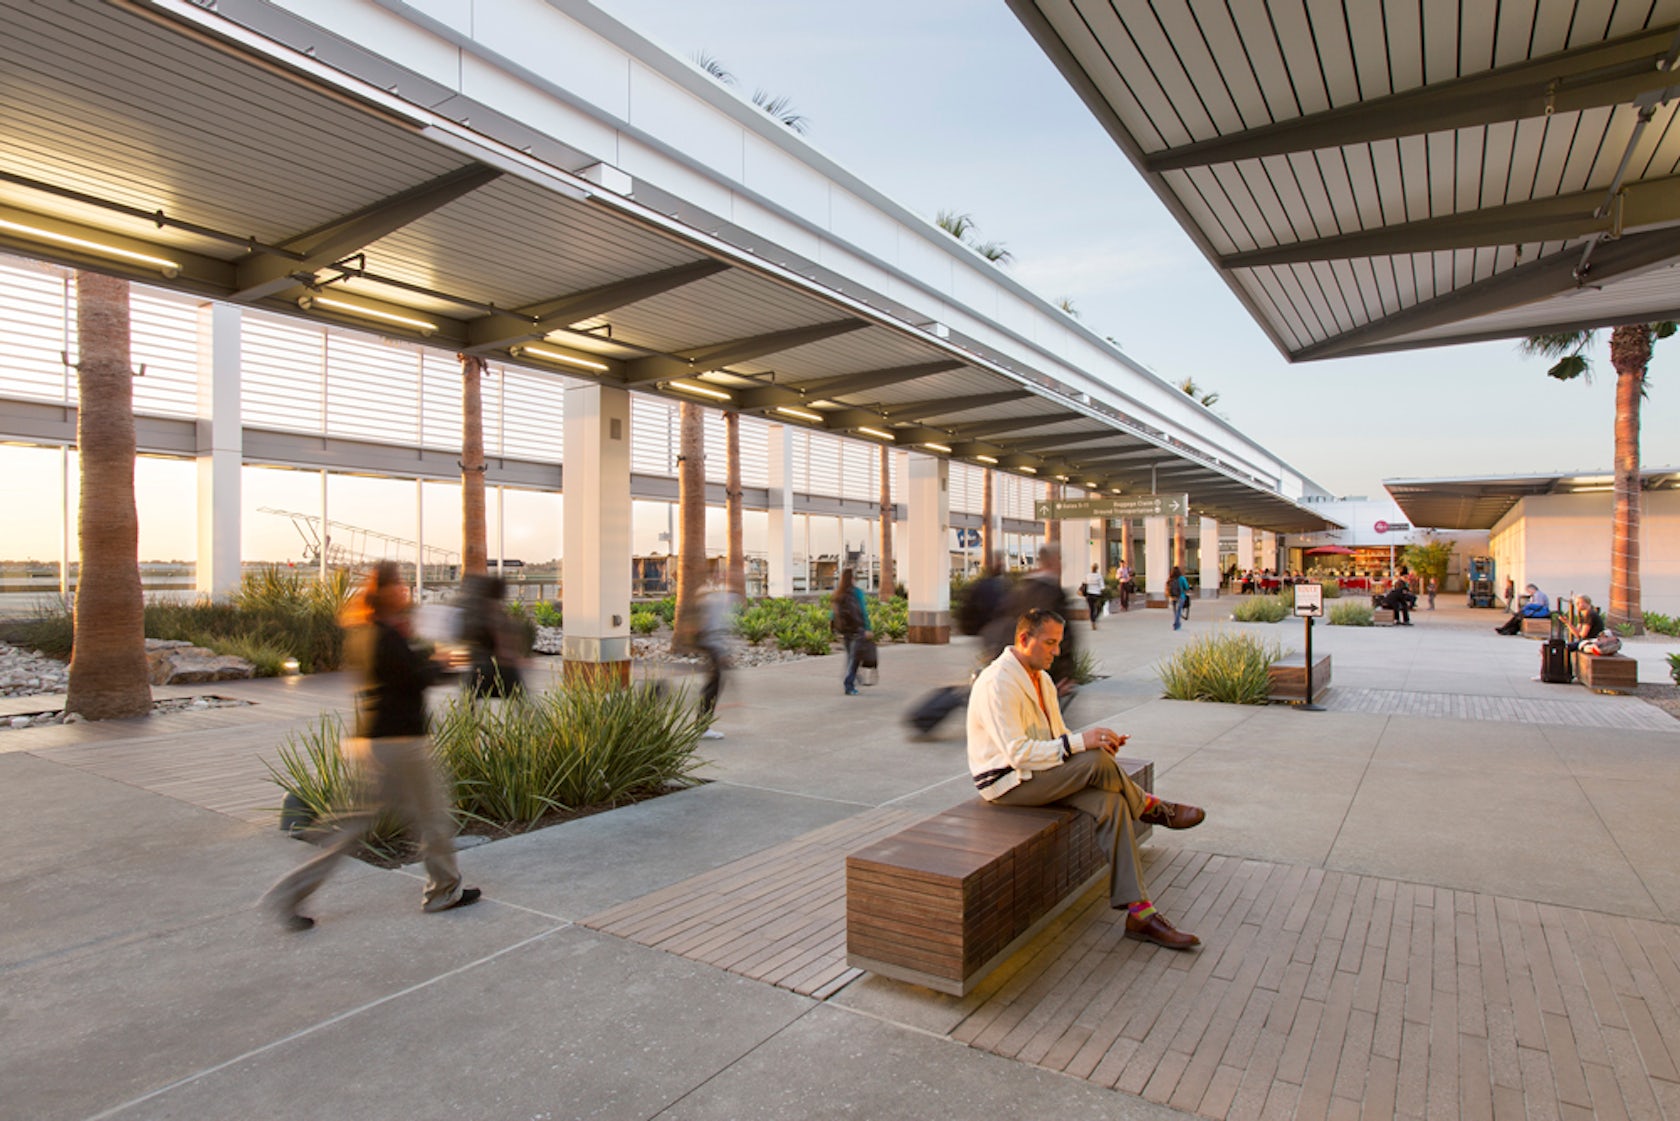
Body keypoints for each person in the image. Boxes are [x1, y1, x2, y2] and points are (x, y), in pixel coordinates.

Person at [968, 607, 1205, 950]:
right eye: (1049, 643)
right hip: (1007, 782)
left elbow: (1057, 736)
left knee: (1111, 802)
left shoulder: (1043, 679)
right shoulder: (997, 683)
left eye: (1058, 643)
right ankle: (1152, 807)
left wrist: (1096, 743)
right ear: (1023, 639)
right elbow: (1016, 753)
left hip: (1039, 774)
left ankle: (1139, 912)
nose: (1057, 651)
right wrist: (1083, 745)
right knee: (1093, 759)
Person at [263, 562, 480, 930]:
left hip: (376, 741)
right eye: (399, 585)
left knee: (354, 827)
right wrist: (444, 663)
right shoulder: (384, 636)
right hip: (400, 743)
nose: (405, 590)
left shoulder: (371, 631)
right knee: (433, 817)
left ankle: (290, 894)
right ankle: (443, 891)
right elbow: (411, 680)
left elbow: (402, 675)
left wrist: (429, 660)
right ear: (385, 591)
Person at [983, 544, 1077, 695]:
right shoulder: (1052, 593)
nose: (1062, 565)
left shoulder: (1020, 589)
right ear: (1052, 562)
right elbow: (1060, 635)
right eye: (1059, 560)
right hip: (1040, 672)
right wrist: (1064, 674)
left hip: (1015, 667)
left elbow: (1000, 623)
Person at [458, 573, 525, 698]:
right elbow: (500, 634)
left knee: (470, 700)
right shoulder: (495, 609)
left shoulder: (478, 609)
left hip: (480, 664)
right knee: (519, 699)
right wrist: (509, 654)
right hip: (498, 665)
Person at [689, 582, 737, 738]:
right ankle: (702, 727)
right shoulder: (713, 602)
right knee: (712, 688)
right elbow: (710, 628)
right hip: (713, 648)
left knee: (711, 686)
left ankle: (702, 725)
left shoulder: (710, 601)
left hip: (712, 647)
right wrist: (721, 653)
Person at [831, 567, 872, 695]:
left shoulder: (837, 594)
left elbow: (832, 614)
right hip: (858, 630)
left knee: (851, 657)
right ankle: (849, 684)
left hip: (846, 631)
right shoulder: (857, 593)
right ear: (853, 579)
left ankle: (853, 677)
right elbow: (863, 612)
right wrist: (868, 628)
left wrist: (834, 628)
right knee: (855, 659)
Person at [1082, 564, 1106, 630]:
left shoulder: (1087, 575)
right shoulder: (1099, 576)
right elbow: (1102, 587)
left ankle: (1092, 621)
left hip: (1089, 594)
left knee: (1091, 609)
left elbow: (1084, 584)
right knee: (1099, 608)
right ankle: (1094, 619)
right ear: (1097, 569)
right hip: (1096, 594)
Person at [1169, 565, 1191, 630]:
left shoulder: (1170, 578)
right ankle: (1176, 625)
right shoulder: (1182, 578)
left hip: (1173, 597)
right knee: (1179, 611)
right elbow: (1186, 587)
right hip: (1181, 596)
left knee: (1175, 611)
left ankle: (1176, 623)